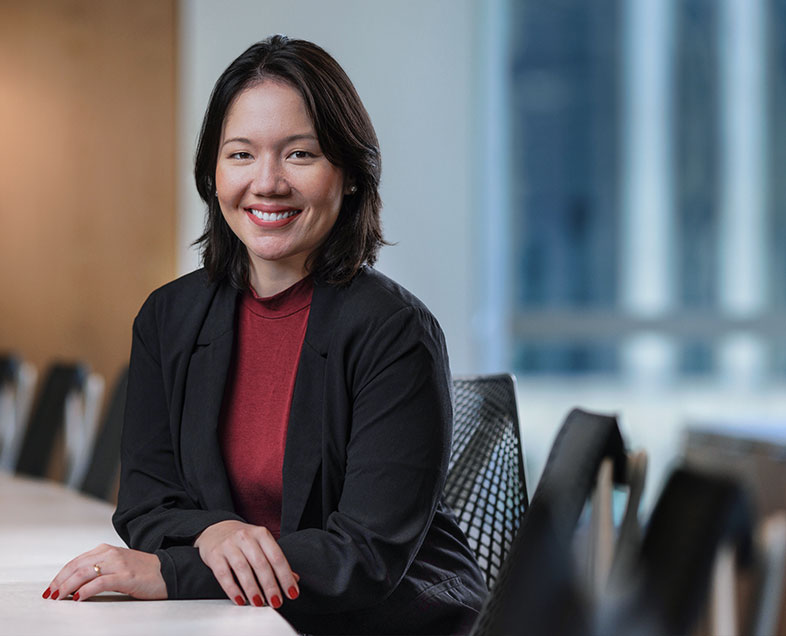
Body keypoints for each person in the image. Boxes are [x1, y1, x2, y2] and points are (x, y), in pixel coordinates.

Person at [43, 35, 487, 635]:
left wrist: (176, 572)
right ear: (213, 173)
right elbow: (147, 505)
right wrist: (217, 532)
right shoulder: (167, 319)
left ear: (349, 175)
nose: (268, 182)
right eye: (241, 154)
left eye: (301, 155)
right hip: (234, 623)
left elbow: (364, 555)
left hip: (380, 622)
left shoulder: (394, 331)